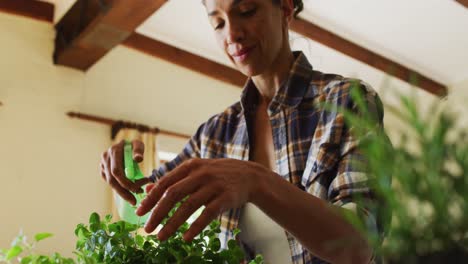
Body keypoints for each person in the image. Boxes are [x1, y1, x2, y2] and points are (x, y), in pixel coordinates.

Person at [100, 0, 386, 263]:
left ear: (285, 8)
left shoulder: (347, 102)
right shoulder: (214, 133)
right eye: (218, 23)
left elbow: (360, 245)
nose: (232, 34)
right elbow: (146, 205)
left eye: (247, 10)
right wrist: (125, 166)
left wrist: (256, 181)